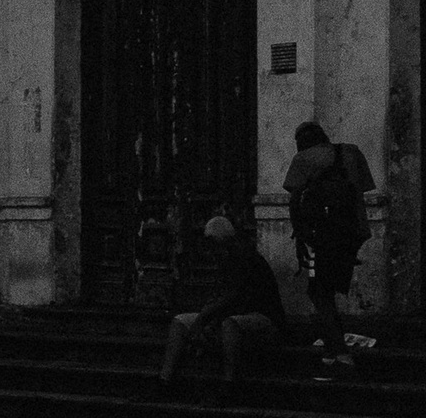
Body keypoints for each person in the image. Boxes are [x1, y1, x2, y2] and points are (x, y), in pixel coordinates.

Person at [283, 120, 376, 373]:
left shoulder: (303, 159)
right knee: (328, 287)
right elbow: (362, 189)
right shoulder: (351, 151)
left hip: (322, 238)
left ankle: (340, 353)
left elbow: (294, 202)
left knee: (318, 292)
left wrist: (300, 240)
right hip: (353, 234)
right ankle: (332, 347)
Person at [159, 214, 285, 399]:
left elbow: (232, 297)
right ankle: (164, 381)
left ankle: (229, 384)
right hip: (233, 315)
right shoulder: (226, 260)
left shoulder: (245, 258)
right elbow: (221, 298)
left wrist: (204, 318)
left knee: (230, 324)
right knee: (180, 322)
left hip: (263, 317)